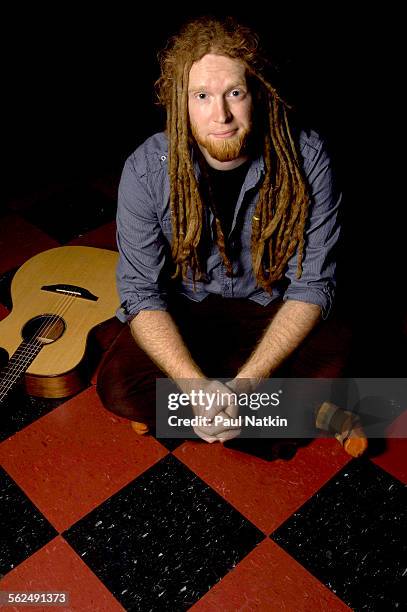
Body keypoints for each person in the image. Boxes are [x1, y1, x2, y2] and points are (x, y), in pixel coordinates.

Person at [97, 15, 367, 457]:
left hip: (271, 304)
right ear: (179, 104)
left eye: (234, 93)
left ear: (256, 93)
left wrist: (244, 386)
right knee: (117, 387)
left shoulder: (308, 156)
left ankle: (206, 412)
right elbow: (140, 291)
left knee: (343, 354)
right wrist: (195, 387)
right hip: (192, 307)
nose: (220, 114)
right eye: (201, 96)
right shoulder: (145, 169)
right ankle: (304, 416)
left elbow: (314, 284)